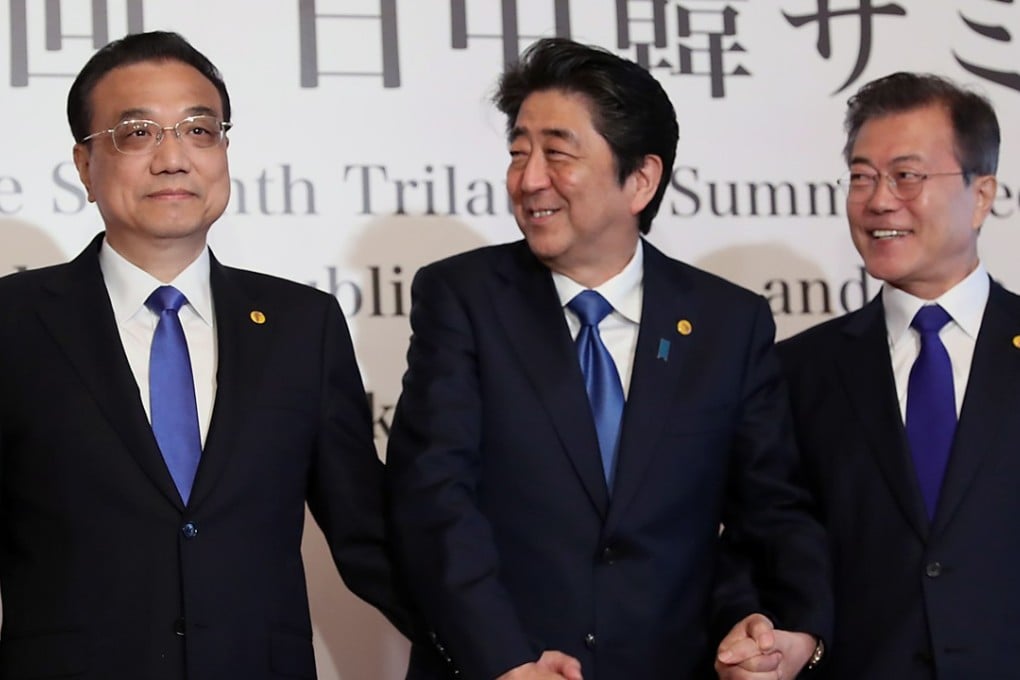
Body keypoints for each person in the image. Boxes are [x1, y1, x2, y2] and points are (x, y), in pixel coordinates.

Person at [385, 37, 830, 680]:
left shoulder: (727, 324)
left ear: (640, 179)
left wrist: (777, 625)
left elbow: (770, 510)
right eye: (518, 152)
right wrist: (505, 660)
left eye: (557, 153)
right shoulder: (463, 299)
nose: (529, 179)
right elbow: (434, 500)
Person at [0, 31, 410, 679]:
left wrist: (499, 653)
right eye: (138, 133)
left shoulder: (302, 326)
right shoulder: (14, 322)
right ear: (84, 165)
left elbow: (369, 535)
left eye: (199, 130)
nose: (174, 159)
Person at [776, 72, 1008, 678]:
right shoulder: (800, 372)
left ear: (981, 195)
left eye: (907, 175)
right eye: (861, 177)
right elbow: (776, 543)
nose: (879, 200)